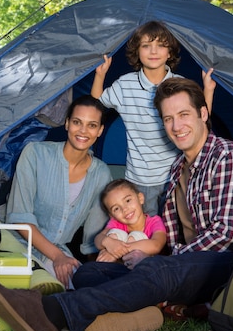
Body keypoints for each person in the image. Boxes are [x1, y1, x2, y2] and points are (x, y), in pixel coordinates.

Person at [0, 77, 233, 331]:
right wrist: (132, 252)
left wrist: (164, 262)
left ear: (203, 114)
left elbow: (230, 234)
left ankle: (53, 312)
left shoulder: (228, 157)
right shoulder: (178, 170)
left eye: (184, 115)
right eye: (168, 119)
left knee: (156, 268)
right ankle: (144, 313)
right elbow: (167, 237)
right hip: (182, 270)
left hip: (230, 268)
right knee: (90, 272)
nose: (177, 126)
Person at [91, 20, 216, 216]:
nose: (153, 51)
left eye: (161, 45)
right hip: (137, 179)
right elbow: (97, 102)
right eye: (146, 45)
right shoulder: (125, 85)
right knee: (143, 233)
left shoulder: (180, 84)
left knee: (173, 231)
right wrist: (100, 75)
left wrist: (208, 89)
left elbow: (200, 118)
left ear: (170, 52)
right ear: (137, 52)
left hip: (175, 177)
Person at [5, 95, 112, 289]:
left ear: (100, 131)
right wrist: (57, 257)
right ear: (67, 123)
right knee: (38, 285)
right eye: (77, 122)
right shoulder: (35, 153)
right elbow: (20, 219)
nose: (83, 131)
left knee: (79, 289)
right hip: (13, 243)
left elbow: (93, 235)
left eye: (92, 125)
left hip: (59, 254)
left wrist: (97, 273)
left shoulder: (102, 173)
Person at [92, 179, 166, 267]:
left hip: (148, 269)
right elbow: (98, 239)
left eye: (127, 201)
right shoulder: (116, 223)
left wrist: (116, 251)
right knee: (112, 236)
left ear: (140, 198)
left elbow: (156, 245)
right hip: (120, 267)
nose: (125, 209)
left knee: (135, 236)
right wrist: (109, 243)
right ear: (112, 215)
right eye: (116, 208)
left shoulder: (155, 221)